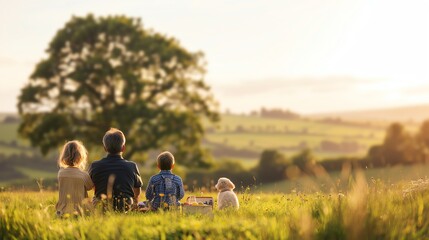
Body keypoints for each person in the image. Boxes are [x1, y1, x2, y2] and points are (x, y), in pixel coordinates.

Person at [89, 128, 143, 211]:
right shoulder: (132, 166)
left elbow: (91, 185)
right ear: (123, 148)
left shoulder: (95, 166)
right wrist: (135, 201)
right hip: (125, 207)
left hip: (102, 207)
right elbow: (137, 190)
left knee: (94, 199)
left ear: (105, 148)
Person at [56, 140, 94, 217]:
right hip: (80, 211)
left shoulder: (61, 173)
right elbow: (91, 187)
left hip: (62, 211)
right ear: (80, 157)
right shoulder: (83, 175)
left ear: (63, 156)